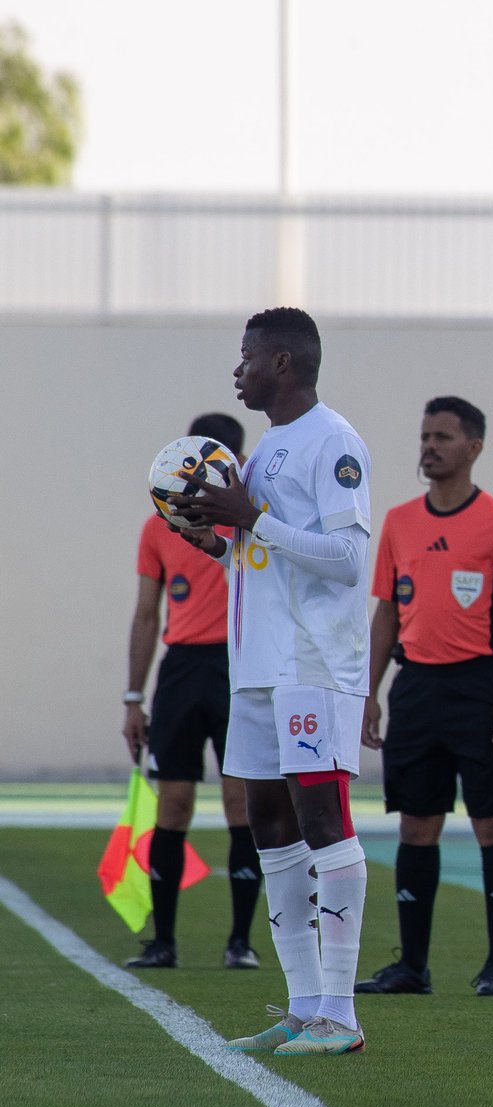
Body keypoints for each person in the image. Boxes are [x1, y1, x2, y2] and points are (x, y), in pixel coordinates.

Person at [170, 307, 373, 1056]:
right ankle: (303, 1007)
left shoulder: (333, 440)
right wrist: (217, 543)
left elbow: (347, 559)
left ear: (282, 363)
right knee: (270, 828)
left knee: (323, 822)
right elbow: (265, 556)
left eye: (247, 356)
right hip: (256, 666)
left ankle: (342, 1016)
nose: (238, 370)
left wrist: (251, 517)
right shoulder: (264, 450)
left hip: (312, 665)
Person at [355, 395, 493, 999]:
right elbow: (386, 613)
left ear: (474, 447)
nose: (429, 447)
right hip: (417, 690)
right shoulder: (399, 522)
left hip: (481, 688)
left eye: (443, 437)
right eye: (425, 436)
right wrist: (370, 692)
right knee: (416, 825)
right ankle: (412, 966)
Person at [122, 412, 263, 970]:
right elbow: (145, 614)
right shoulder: (160, 524)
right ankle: (163, 941)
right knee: (173, 804)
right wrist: (133, 698)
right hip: (181, 671)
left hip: (237, 664)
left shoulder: (253, 518)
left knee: (240, 803)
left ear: (236, 462)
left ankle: (241, 942)